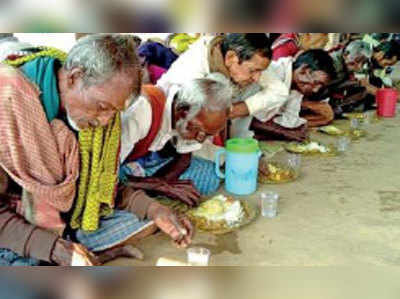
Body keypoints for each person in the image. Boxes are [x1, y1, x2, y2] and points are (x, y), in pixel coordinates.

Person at [0, 34, 193, 266]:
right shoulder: (9, 100)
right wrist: (53, 248)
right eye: (102, 107)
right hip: (13, 225)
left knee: (143, 225)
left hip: (60, 222)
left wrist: (153, 209)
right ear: (74, 77)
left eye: (113, 112)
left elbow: (101, 185)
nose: (104, 122)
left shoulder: (94, 119)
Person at [158, 33, 304, 141]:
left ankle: (238, 141)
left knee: (252, 87)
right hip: (172, 132)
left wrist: (237, 109)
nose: (257, 76)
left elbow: (279, 91)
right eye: (253, 70)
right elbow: (187, 126)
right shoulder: (194, 72)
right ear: (231, 57)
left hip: (203, 128)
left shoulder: (248, 58)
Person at [120, 73, 232, 206]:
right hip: (115, 169)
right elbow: (105, 176)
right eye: (199, 131)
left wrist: (165, 182)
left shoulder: (190, 119)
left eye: (208, 135)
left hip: (147, 165)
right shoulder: (141, 112)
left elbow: (184, 158)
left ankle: (148, 192)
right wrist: (159, 186)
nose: (201, 140)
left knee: (209, 174)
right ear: (181, 111)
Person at [293, 49, 337, 127]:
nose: (315, 90)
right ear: (304, 70)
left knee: (326, 113)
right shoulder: (278, 76)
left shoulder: (299, 86)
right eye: (316, 83)